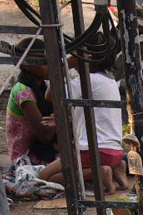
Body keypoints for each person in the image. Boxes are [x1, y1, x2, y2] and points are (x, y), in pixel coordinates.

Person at [39, 52, 127, 193]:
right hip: (115, 152)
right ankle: (118, 168)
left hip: (94, 151)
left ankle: (99, 172)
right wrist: (62, 117)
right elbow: (94, 113)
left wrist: (65, 66)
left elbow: (50, 96)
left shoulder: (87, 80)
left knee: (45, 176)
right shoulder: (109, 80)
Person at [4, 38, 57, 165]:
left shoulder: (45, 84)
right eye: (44, 62)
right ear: (27, 64)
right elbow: (45, 135)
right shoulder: (23, 92)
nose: (49, 65)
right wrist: (60, 118)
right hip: (26, 158)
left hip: (43, 151)